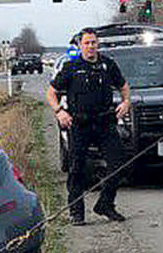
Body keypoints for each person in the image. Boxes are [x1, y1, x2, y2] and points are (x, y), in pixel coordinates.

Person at [45, 28, 132, 225]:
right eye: (87, 43)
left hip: (105, 123)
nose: (91, 46)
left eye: (93, 42)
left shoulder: (107, 65)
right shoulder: (71, 67)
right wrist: (59, 112)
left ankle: (105, 205)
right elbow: (51, 93)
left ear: (97, 44)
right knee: (77, 169)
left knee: (119, 164)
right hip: (80, 124)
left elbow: (124, 87)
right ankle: (77, 212)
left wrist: (126, 103)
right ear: (80, 45)